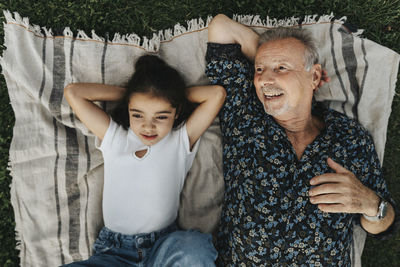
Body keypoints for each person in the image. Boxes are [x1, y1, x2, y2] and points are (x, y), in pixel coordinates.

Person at [206, 14, 397, 266]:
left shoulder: (348, 138)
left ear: (316, 77)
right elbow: (221, 27)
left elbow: (385, 225)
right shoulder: (245, 115)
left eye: (281, 68)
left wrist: (371, 203)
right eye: (259, 69)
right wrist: (272, 61)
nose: (264, 79)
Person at [62, 55, 225, 266]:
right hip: (115, 253)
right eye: (138, 115)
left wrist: (170, 94)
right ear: (128, 109)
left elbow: (216, 94)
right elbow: (73, 93)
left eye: (161, 116)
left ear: (176, 114)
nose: (148, 126)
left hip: (162, 247)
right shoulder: (115, 138)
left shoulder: (180, 141)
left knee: (194, 249)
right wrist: (130, 94)